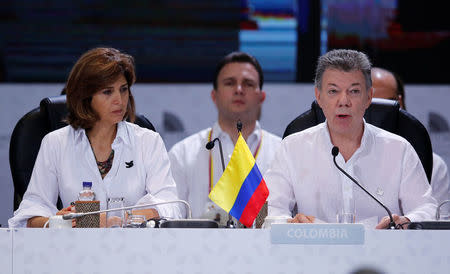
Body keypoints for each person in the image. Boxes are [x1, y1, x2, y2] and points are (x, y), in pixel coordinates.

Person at [9, 47, 181, 228]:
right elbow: (29, 216)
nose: (119, 100)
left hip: (136, 250)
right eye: (107, 92)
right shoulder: (55, 143)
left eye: (123, 90)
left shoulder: (148, 141)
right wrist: (59, 222)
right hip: (73, 251)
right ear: (85, 97)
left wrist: (119, 219)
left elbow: (171, 206)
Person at [266, 49, 436, 229]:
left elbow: (427, 209)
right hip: (313, 253)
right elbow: (269, 212)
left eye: (354, 91)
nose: (343, 101)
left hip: (384, 253)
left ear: (369, 97)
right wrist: (289, 223)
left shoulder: (398, 149)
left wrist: (407, 221)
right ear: (319, 97)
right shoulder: (292, 149)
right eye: (333, 91)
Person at [168, 52, 281, 224]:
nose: (239, 90)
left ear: (261, 97)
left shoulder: (282, 151)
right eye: (230, 83)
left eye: (248, 84)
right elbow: (170, 218)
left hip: (265, 248)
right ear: (214, 96)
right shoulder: (182, 153)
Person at [372, 67, 450, 204]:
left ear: (399, 104)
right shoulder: (333, 158)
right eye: (370, 105)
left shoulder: (431, 164)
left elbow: (438, 221)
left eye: (385, 105)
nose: (377, 114)